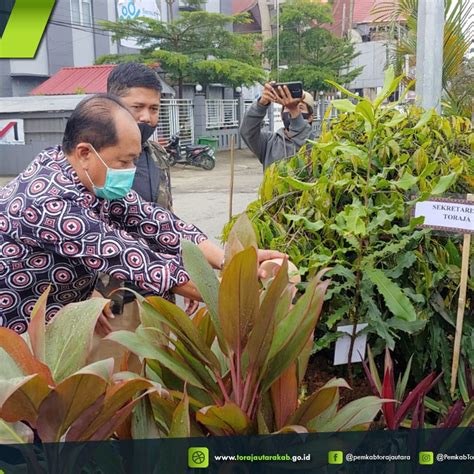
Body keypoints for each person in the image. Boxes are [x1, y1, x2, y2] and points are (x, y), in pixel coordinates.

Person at [0, 94, 284, 336]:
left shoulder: (78, 169)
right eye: (124, 161)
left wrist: (229, 260)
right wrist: (235, 292)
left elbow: (156, 222)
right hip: (13, 328)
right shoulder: (47, 202)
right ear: (85, 151)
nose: (130, 170)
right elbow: (134, 259)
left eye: (134, 160)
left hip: (53, 311)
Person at [240, 82, 315, 170]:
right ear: (281, 114)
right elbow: (247, 131)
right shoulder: (269, 142)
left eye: (300, 108)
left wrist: (294, 110)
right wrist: (261, 104)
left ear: (310, 117)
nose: (291, 111)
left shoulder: (316, 143)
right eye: (287, 107)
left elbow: (302, 141)